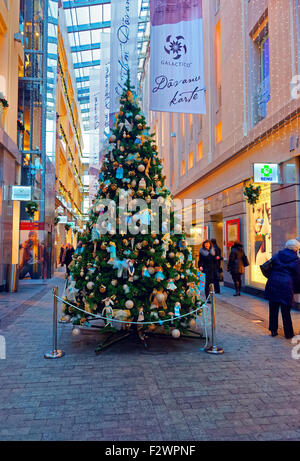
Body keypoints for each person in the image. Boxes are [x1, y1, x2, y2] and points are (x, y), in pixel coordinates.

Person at [264, 239, 300, 339]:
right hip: (286, 285)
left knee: (273, 309)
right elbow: (297, 276)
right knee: (286, 311)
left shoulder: (277, 255)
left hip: (273, 282)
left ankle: (273, 331)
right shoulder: (296, 260)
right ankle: (288, 333)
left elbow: (269, 266)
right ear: (296, 249)